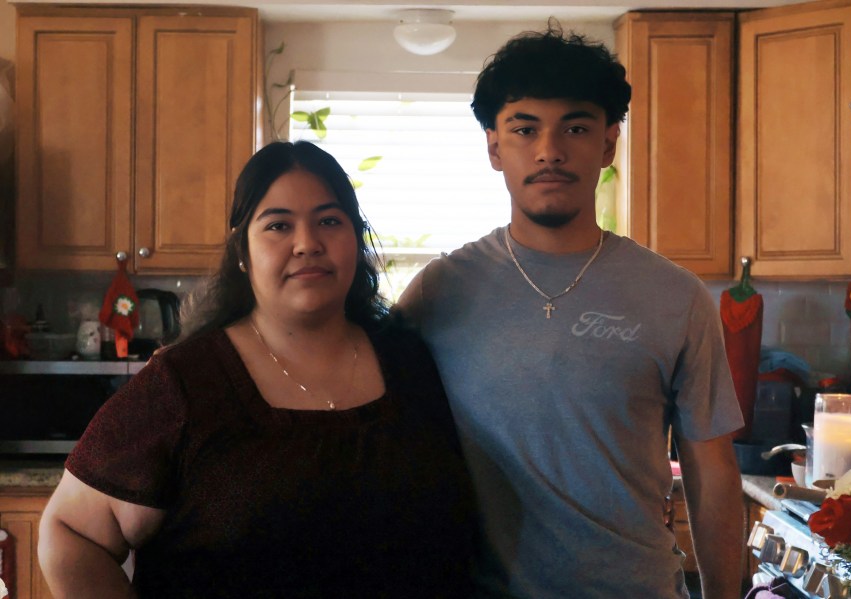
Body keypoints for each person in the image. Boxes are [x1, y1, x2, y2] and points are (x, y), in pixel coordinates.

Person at [394, 24, 745, 599]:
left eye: (575, 128)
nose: (549, 151)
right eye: (524, 129)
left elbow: (712, 472)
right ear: (494, 148)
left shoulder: (677, 297)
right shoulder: (438, 292)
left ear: (608, 145)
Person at [38, 141, 476, 598]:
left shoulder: (412, 361)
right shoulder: (185, 381)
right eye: (278, 225)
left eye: (329, 220)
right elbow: (70, 531)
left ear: (356, 238)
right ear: (242, 253)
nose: (307, 243)